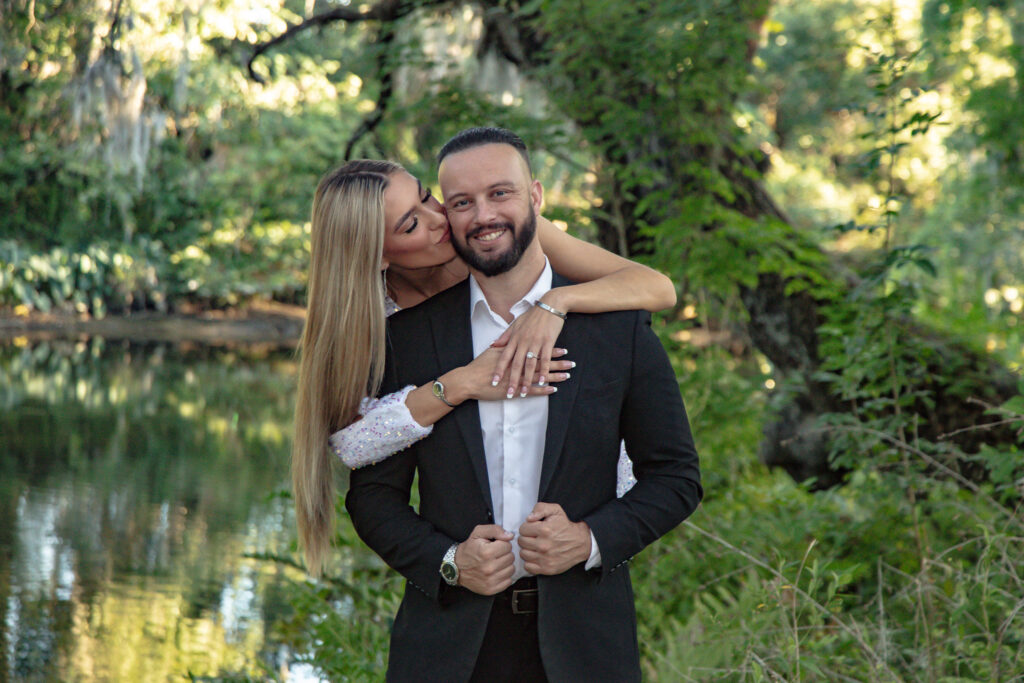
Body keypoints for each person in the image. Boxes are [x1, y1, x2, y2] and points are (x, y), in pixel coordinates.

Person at [345, 127, 702, 682]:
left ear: (536, 196)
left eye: (500, 193)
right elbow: (372, 499)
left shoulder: (619, 329)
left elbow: (676, 477)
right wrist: (448, 561)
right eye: (461, 202)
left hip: (586, 650)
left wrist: (589, 540)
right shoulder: (406, 342)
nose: (481, 214)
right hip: (446, 654)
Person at [293, 158, 676, 578]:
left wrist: (555, 304)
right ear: (378, 256)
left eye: (426, 198)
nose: (439, 219)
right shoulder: (371, 323)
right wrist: (459, 384)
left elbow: (658, 287)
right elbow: (352, 443)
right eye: (410, 225)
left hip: (587, 504)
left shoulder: (495, 239)